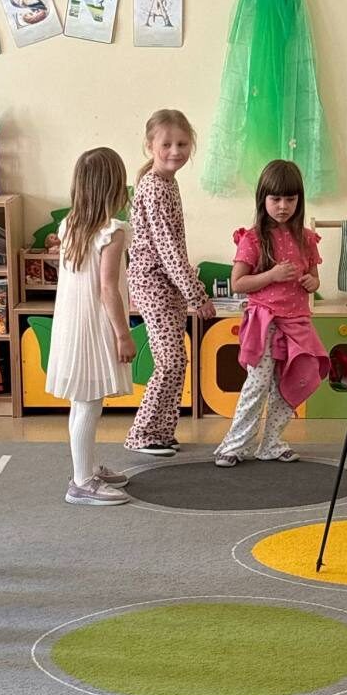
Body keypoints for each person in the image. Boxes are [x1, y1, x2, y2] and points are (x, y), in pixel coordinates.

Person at [213, 159, 329, 467]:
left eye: (290, 199)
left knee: (290, 381)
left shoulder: (306, 239)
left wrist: (312, 282)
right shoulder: (253, 238)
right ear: (263, 199)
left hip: (297, 324)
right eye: (275, 199)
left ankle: (272, 442)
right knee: (257, 384)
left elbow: (314, 277)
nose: (283, 206)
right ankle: (234, 445)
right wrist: (272, 275)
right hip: (265, 322)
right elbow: (238, 283)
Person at [45, 147, 136, 505]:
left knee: (83, 400)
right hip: (93, 325)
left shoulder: (69, 226)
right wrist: (123, 334)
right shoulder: (112, 231)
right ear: (114, 188)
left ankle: (87, 467)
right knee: (88, 403)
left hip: (73, 323)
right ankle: (82, 481)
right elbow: (107, 289)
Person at [124, 109, 216, 457]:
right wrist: (197, 295)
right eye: (167, 144)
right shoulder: (154, 187)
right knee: (171, 361)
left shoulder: (167, 182)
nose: (175, 151)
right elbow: (168, 250)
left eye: (182, 143)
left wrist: (185, 290)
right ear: (150, 146)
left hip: (167, 284)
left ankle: (161, 431)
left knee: (176, 360)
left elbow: (172, 247)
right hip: (153, 283)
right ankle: (142, 433)